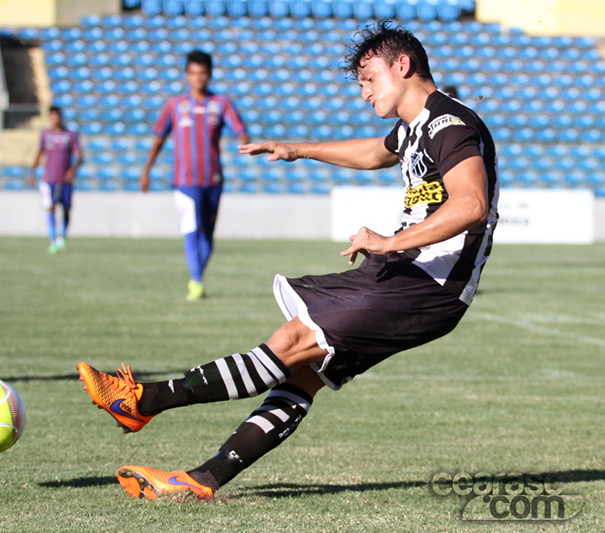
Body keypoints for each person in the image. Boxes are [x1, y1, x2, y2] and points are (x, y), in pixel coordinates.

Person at [78, 21, 499, 501]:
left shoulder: (450, 122)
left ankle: (143, 400)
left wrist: (387, 242)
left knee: (294, 338)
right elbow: (372, 152)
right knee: (306, 371)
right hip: (403, 273)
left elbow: (471, 205)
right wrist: (298, 149)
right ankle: (203, 479)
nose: (364, 93)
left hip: (427, 282)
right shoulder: (413, 127)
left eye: (369, 79)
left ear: (402, 66)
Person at [140, 50, 250, 301]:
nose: (198, 78)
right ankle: (197, 281)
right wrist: (146, 170)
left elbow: (239, 130)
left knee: (208, 232)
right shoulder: (175, 105)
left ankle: (198, 276)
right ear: (187, 75)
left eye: (202, 73)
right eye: (193, 73)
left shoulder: (220, 103)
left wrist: (244, 140)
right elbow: (158, 139)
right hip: (184, 181)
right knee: (191, 230)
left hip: (212, 179)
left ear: (209, 75)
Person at [29, 107, 84, 254]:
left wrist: (72, 169)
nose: (55, 119)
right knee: (50, 208)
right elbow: (39, 153)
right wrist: (32, 172)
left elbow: (79, 155)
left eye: (57, 116)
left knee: (66, 209)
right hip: (49, 180)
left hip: (65, 180)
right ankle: (53, 240)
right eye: (52, 116)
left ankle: (62, 236)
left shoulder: (70, 135)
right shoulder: (45, 135)